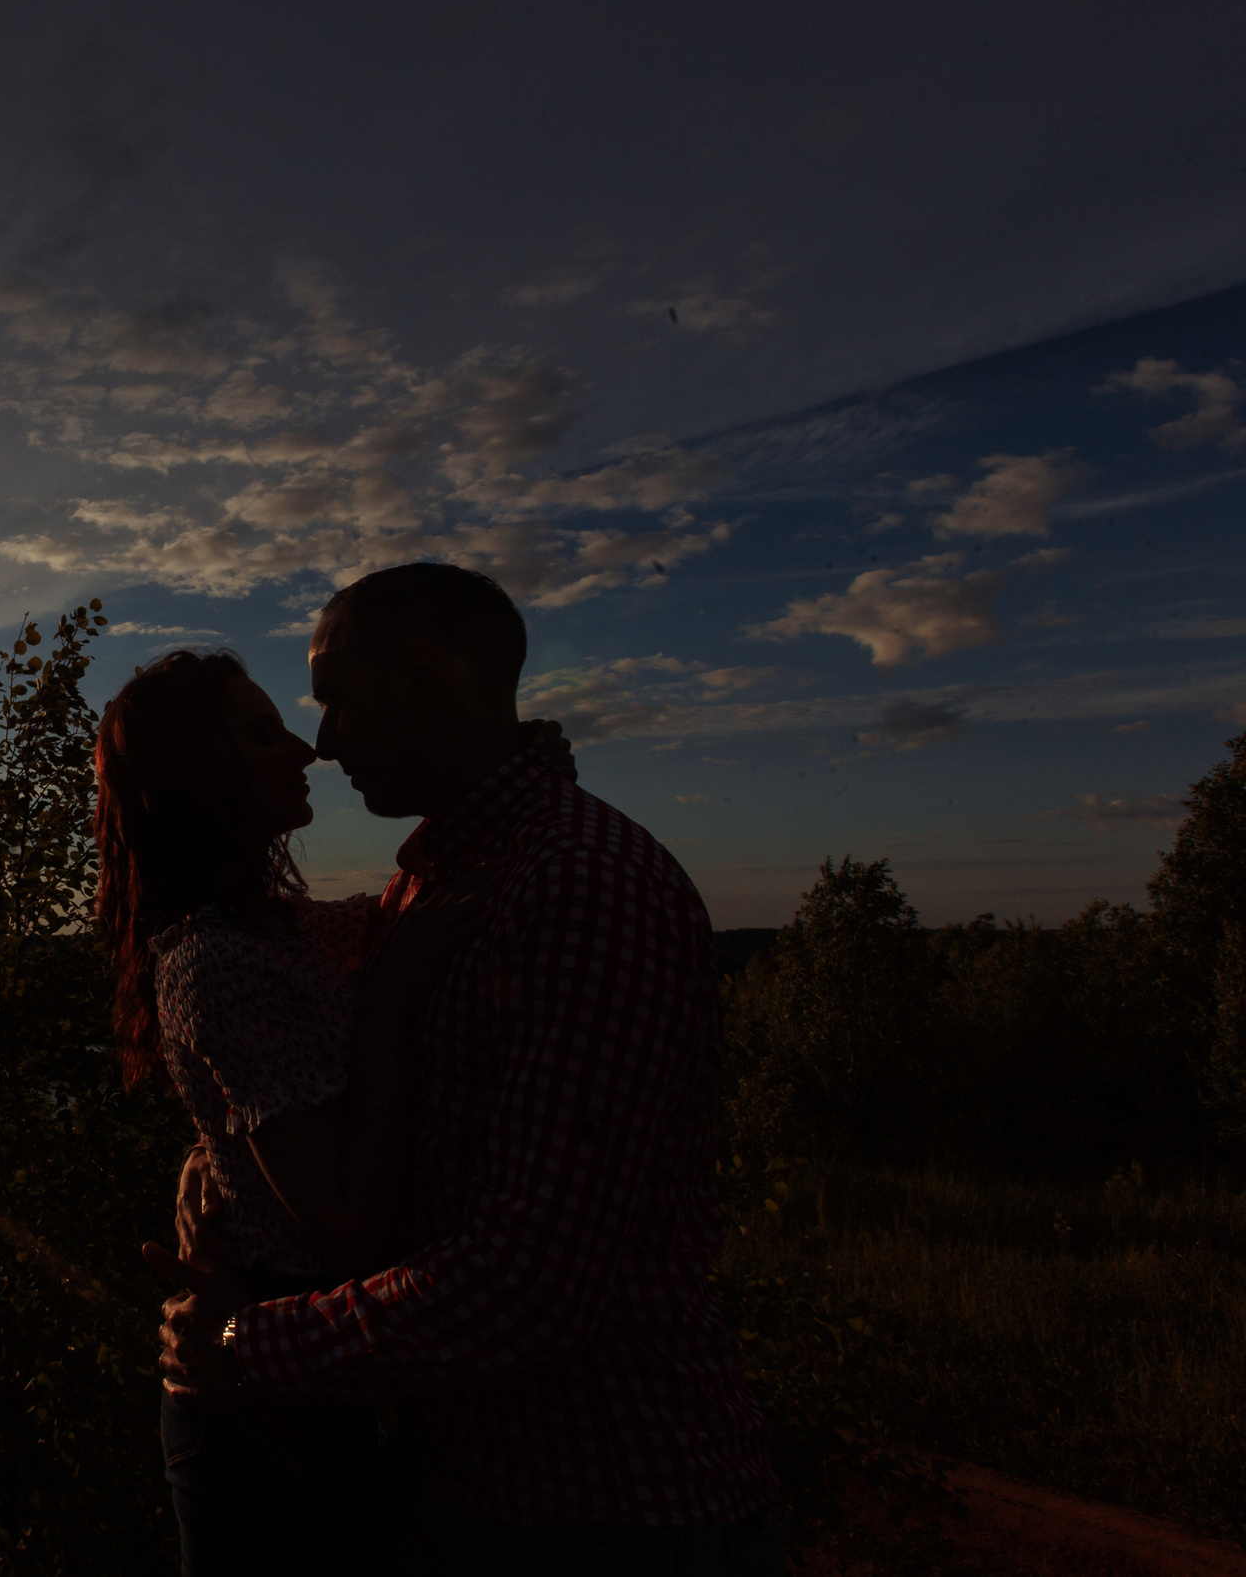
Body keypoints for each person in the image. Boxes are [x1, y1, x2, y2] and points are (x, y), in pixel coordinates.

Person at [145, 562, 787, 1577]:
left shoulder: (577, 888)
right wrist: (218, 1156)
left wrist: (239, 1349)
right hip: (487, 1493)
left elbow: (531, 1288)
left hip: (603, 1510)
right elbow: (263, 1023)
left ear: (421, 676)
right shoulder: (443, 886)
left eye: (334, 700)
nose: (323, 742)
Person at [93, 645, 572, 1574]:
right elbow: (349, 1224)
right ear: (203, 770)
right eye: (262, 732)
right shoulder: (219, 959)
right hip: (261, 1399)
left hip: (304, 1375)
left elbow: (406, 908)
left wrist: (521, 762)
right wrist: (389, 1006)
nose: (303, 752)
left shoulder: (275, 929)